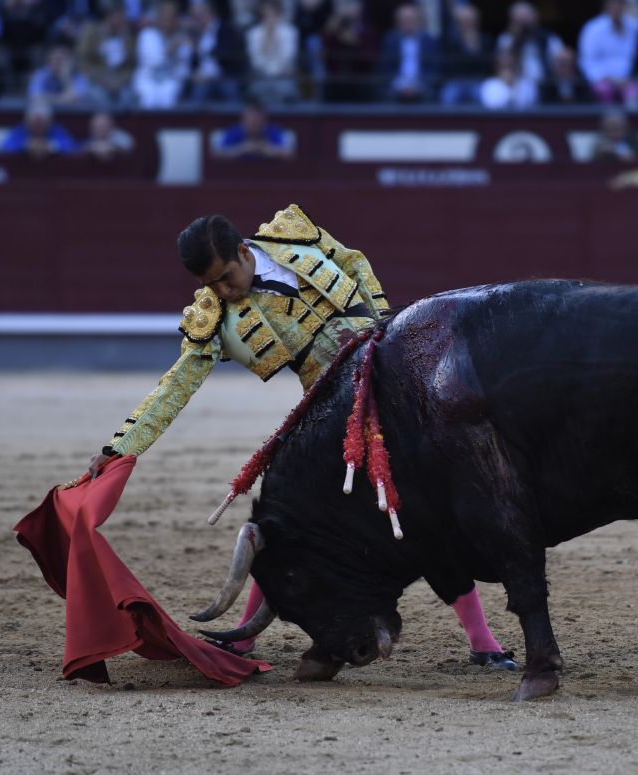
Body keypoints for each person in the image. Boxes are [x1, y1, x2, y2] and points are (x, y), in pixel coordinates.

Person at [85, 204, 518, 670]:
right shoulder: (213, 319)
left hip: (401, 393)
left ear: (245, 252)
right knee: (289, 525)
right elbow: (174, 387)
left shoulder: (294, 236)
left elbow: (352, 260)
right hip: (332, 421)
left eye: (227, 277)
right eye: (212, 285)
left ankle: (484, 643)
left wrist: (386, 321)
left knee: (429, 511)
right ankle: (244, 641)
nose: (224, 291)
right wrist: (120, 448)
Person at [578, 0, 638, 105]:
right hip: (602, 80)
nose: (616, 6)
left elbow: (637, 58)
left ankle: (634, 121)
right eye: (613, 3)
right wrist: (606, 78)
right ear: (606, 5)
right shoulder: (592, 29)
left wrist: (627, 79)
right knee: (604, 91)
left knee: (635, 91)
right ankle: (608, 121)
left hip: (628, 80)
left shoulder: (635, 28)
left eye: (620, 3)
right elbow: (587, 60)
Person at [132, 0, 192, 108]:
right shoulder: (147, 35)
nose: (167, 20)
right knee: (149, 98)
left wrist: (179, 75)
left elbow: (184, 66)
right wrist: (171, 49)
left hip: (171, 79)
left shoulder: (182, 37)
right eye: (164, 16)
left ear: (176, 19)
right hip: (148, 78)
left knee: (168, 96)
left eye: (171, 17)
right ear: (158, 18)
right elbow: (153, 62)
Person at [76, 2, 136, 107]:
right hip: (96, 80)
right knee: (99, 97)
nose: (121, 21)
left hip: (119, 82)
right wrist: (103, 80)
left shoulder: (128, 38)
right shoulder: (92, 33)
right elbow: (83, 62)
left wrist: (120, 81)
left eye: (123, 17)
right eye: (118, 17)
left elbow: (131, 66)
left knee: (129, 97)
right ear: (109, 17)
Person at [186, 0, 247, 104]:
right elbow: (193, 61)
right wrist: (195, 73)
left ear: (211, 14)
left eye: (201, 15)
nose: (197, 19)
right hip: (203, 78)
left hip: (225, 75)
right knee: (197, 94)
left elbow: (231, 55)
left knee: (231, 91)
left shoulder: (228, 30)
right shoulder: (195, 33)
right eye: (195, 16)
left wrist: (206, 51)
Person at [377, 2, 440, 103]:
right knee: (385, 95)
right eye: (405, 20)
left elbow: (434, 68)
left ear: (418, 21)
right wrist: (401, 86)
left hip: (422, 84)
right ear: (398, 22)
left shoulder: (429, 41)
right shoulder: (390, 40)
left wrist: (417, 85)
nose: (408, 23)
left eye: (411, 19)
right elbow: (385, 68)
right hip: (396, 84)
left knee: (431, 95)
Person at [439, 3, 493, 106]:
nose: (468, 24)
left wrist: (475, 48)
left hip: (478, 80)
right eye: (465, 21)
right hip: (456, 80)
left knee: (483, 95)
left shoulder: (485, 40)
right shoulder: (451, 41)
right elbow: (451, 66)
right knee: (448, 95)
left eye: (470, 20)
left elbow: (487, 66)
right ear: (459, 23)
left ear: (476, 21)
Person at [245, 0, 299, 103]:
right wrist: (266, 37)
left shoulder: (290, 32)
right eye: (266, 15)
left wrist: (274, 37)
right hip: (261, 76)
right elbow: (256, 61)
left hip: (283, 76)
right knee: (256, 91)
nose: (270, 19)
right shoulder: (253, 34)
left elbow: (288, 58)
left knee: (285, 90)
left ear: (279, 14)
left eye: (272, 14)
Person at [213, 99, 293, 160]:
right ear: (243, 119)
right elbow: (218, 154)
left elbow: (288, 153)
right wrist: (242, 149)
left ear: (264, 119)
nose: (253, 123)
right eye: (250, 119)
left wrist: (266, 149)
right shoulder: (234, 132)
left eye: (257, 119)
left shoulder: (273, 131)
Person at [0, 100, 78, 157]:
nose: (38, 126)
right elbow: (5, 147)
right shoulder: (20, 130)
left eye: (41, 122)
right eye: (35, 122)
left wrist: (50, 146)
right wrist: (25, 146)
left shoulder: (57, 130)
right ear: (27, 121)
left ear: (50, 121)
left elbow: (71, 148)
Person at [27, 42, 93, 105]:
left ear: (70, 61)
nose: (54, 62)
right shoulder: (40, 74)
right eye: (52, 59)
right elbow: (35, 97)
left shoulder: (79, 77)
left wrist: (65, 77)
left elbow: (75, 98)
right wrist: (63, 98)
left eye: (59, 59)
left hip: (71, 114)